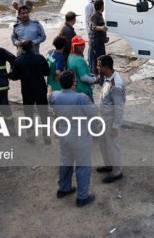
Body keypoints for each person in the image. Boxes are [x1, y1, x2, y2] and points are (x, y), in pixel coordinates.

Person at [49, 70, 96, 207]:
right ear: (73, 84)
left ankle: (64, 188)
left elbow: (49, 98)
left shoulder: (54, 96)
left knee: (65, 162)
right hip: (80, 136)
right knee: (83, 166)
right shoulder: (80, 98)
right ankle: (82, 197)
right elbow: (93, 113)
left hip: (64, 135)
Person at [12, 40, 51, 144]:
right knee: (43, 113)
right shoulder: (40, 58)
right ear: (33, 46)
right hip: (40, 89)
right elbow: (47, 71)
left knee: (28, 113)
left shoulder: (18, 60)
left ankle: (31, 135)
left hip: (27, 90)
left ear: (22, 48)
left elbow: (14, 76)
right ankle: (46, 136)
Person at [97, 54, 125, 183]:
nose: (97, 68)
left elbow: (119, 107)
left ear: (106, 67)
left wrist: (115, 126)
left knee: (113, 145)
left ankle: (117, 171)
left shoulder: (115, 85)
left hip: (110, 120)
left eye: (99, 66)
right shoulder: (108, 78)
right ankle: (109, 165)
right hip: (103, 118)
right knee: (104, 144)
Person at [68, 36, 96, 102]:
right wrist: (94, 79)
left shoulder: (70, 56)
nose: (82, 46)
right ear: (74, 46)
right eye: (79, 45)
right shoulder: (80, 60)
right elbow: (84, 78)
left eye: (83, 44)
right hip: (84, 91)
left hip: (75, 90)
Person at [88, 0, 107, 75]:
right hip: (96, 42)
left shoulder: (97, 15)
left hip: (99, 41)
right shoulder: (95, 15)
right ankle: (97, 77)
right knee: (98, 60)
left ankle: (99, 75)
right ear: (102, 6)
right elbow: (93, 26)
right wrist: (102, 28)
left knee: (100, 59)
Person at [85, 0, 100, 67]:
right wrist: (89, 32)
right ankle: (90, 63)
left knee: (93, 48)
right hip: (91, 31)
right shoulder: (89, 6)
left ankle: (92, 62)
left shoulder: (94, 4)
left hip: (94, 30)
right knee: (91, 48)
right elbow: (87, 20)